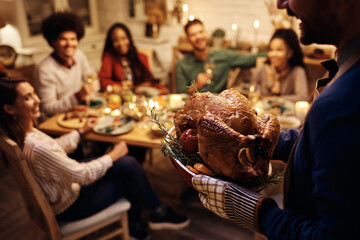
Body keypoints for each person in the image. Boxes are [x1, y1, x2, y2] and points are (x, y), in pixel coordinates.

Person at [191, 0, 360, 239]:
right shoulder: (346, 67)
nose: (281, 4)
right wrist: (260, 141)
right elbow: (323, 147)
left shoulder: (344, 100)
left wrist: (256, 211)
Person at [0, 77, 190, 240]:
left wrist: (81, 132)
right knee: (127, 175)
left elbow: (54, 149)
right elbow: (82, 175)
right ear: (9, 108)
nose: (38, 100)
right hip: (70, 204)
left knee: (128, 163)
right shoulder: (36, 146)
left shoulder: (24, 135)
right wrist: (112, 155)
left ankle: (154, 214)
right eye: (27, 98)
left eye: (34, 94)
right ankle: (140, 224)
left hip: (64, 189)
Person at [34, 12, 96, 120]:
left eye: (73, 39)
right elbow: (48, 108)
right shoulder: (45, 69)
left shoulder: (79, 55)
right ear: (53, 42)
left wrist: (91, 88)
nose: (69, 44)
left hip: (77, 113)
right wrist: (78, 96)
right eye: (63, 39)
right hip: (55, 121)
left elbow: (90, 77)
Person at [175, 19, 257, 94]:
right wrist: (197, 85)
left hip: (219, 107)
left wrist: (269, 54)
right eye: (193, 34)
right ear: (188, 40)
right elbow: (181, 95)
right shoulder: (182, 64)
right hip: (195, 108)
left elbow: (252, 59)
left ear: (206, 33)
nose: (198, 37)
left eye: (201, 32)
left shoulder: (224, 56)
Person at [99, 23, 169, 95]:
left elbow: (149, 81)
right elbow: (104, 81)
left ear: (129, 38)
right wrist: (123, 86)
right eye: (115, 40)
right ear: (111, 43)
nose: (120, 43)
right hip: (119, 97)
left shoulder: (141, 57)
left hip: (140, 95)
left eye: (123, 38)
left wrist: (160, 88)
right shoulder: (109, 57)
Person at [251, 28, 308, 102]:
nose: (273, 54)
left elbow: (302, 97)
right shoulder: (261, 71)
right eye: (271, 50)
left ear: (290, 53)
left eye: (279, 50)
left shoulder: (297, 71)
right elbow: (252, 94)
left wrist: (273, 99)